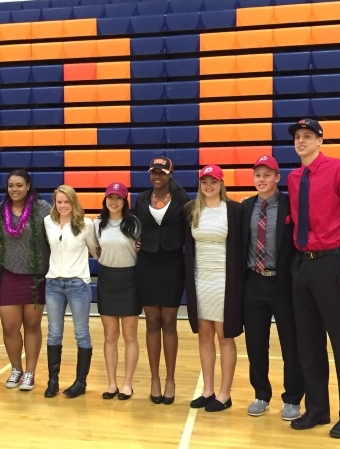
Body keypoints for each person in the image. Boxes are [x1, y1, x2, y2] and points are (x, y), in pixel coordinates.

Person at [286, 118, 340, 439]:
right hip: (303, 264)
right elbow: (295, 217)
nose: (301, 141)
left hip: (333, 264)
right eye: (297, 137)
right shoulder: (292, 177)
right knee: (309, 343)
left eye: (307, 136)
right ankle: (317, 409)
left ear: (320, 140)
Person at [241, 156, 304, 420]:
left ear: (277, 178)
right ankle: (261, 394)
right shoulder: (245, 207)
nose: (262, 180)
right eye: (258, 175)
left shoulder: (291, 204)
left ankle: (292, 398)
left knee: (291, 342)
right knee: (256, 342)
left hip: (282, 283)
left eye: (267, 175)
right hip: (254, 281)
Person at [184, 165, 243, 412]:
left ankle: (224, 393)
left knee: (225, 336)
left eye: (213, 181)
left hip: (224, 281)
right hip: (200, 280)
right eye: (204, 181)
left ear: (221, 183)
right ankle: (208, 390)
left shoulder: (233, 209)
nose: (209, 186)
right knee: (205, 335)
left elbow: (240, 247)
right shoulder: (191, 210)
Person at [134, 157, 190, 404]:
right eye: (154, 172)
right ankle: (154, 378)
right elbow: (136, 228)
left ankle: (170, 379)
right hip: (147, 264)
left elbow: (189, 231)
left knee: (169, 321)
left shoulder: (182, 199)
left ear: (170, 173)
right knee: (152, 321)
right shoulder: (141, 198)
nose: (157, 176)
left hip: (172, 264)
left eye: (162, 172)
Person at [0, 170, 51, 391]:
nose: (14, 189)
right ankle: (16, 368)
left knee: (32, 325)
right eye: (11, 185)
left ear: (28, 186)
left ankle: (30, 372)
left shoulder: (43, 209)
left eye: (19, 185)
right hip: (9, 274)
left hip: (35, 276)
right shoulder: (1, 210)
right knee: (9, 327)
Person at [43, 185, 97, 399]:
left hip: (78, 284)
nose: (63, 205)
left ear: (73, 203)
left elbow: (95, 251)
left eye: (67, 202)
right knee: (54, 332)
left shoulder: (86, 224)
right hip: (53, 283)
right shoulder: (48, 222)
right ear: (55, 203)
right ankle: (53, 380)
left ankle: (80, 382)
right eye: (59, 202)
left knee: (81, 333)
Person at [94, 182, 141, 401]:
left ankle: (127, 384)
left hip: (130, 279)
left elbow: (141, 250)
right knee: (110, 335)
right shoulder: (97, 225)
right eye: (110, 197)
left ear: (125, 201)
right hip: (107, 280)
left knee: (130, 335)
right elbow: (94, 249)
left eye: (118, 198)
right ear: (105, 200)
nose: (114, 202)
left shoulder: (134, 224)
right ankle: (112, 383)